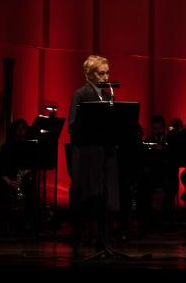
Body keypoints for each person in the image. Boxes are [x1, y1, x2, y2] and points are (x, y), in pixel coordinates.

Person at [67, 55, 118, 255]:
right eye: (101, 72)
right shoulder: (80, 95)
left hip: (104, 156)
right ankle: (78, 242)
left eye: (107, 72)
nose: (106, 76)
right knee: (85, 199)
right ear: (89, 74)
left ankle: (102, 243)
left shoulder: (107, 96)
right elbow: (72, 127)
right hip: (87, 157)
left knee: (104, 200)